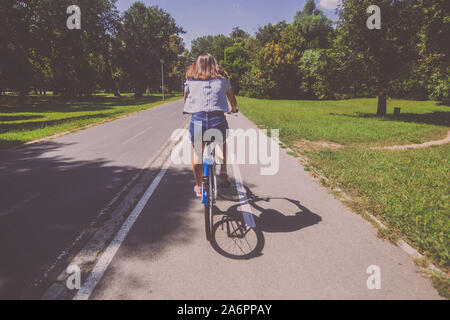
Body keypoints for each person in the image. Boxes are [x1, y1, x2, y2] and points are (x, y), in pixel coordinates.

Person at [183, 53, 238, 197]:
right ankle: (224, 171)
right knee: (221, 142)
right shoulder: (223, 80)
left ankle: (200, 187)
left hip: (198, 119)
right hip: (217, 119)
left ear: (197, 65)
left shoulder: (190, 80)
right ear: (215, 64)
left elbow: (186, 100)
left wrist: (188, 110)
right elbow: (232, 100)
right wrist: (233, 108)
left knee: (197, 153)